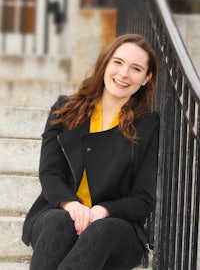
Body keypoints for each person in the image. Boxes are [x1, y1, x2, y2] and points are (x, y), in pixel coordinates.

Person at [22, 33, 159, 270]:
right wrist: (71, 205)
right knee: (59, 220)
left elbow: (143, 198)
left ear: (147, 78)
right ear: (105, 63)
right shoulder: (65, 109)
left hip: (115, 229)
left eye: (136, 68)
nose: (124, 74)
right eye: (118, 62)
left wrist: (103, 210)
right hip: (58, 214)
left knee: (101, 229)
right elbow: (50, 173)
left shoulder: (148, 124)